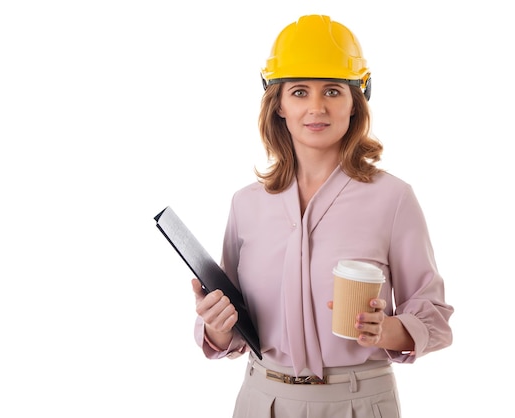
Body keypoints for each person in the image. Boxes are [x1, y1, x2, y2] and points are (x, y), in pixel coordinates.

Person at [191, 14, 454, 418]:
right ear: (278, 104)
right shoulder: (246, 204)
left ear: (356, 101)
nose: (316, 108)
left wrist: (389, 330)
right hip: (262, 401)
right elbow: (234, 328)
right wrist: (217, 325)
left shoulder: (393, 198)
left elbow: (432, 314)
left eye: (333, 90)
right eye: (299, 91)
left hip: (359, 402)